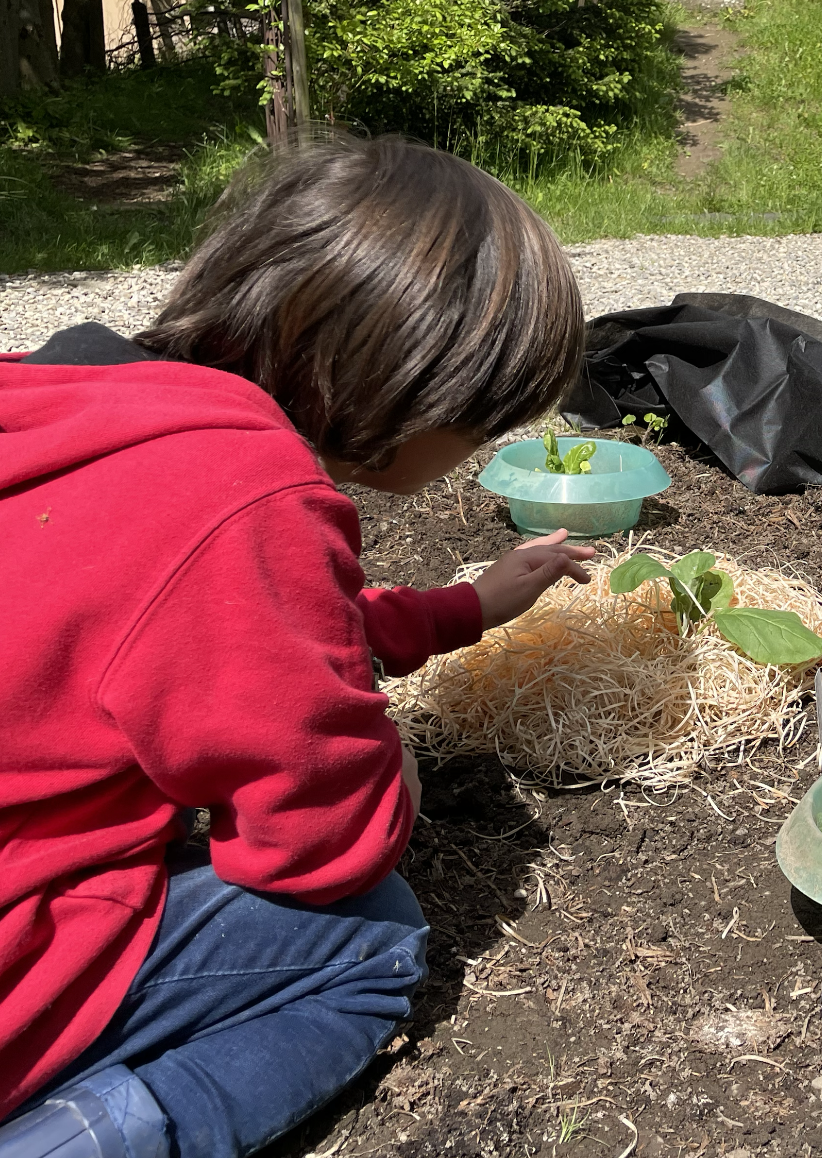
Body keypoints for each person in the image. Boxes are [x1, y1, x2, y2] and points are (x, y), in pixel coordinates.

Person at [0, 136, 596, 1158]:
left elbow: (210, 623)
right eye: (480, 422)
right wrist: (389, 771)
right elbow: (318, 844)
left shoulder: (76, 402)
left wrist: (462, 607)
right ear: (419, 389)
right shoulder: (248, 494)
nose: (474, 449)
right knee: (374, 939)